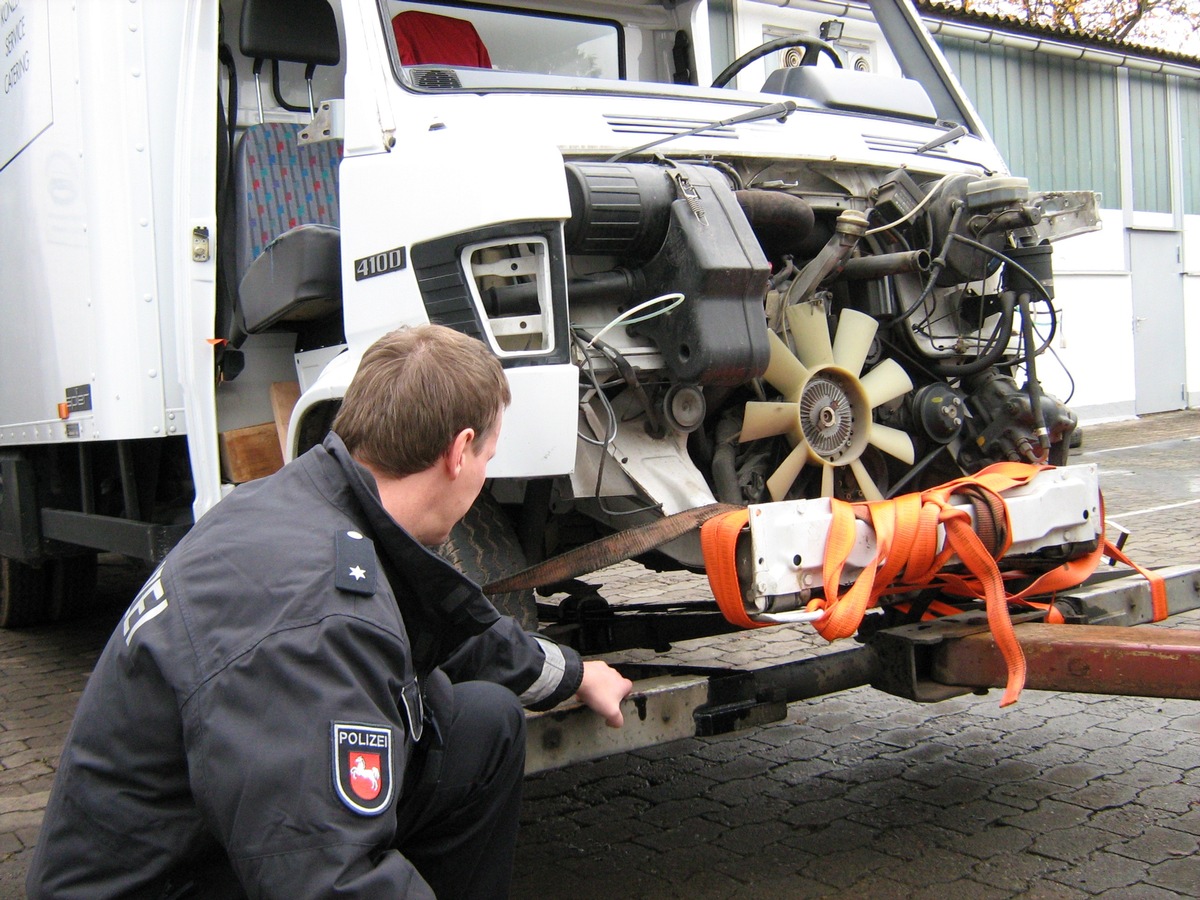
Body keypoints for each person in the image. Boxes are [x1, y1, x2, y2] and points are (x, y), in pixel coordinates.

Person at [27, 324, 634, 899]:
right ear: (460, 451)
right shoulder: (317, 625)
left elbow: (446, 620)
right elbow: (326, 879)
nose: (483, 475)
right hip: (167, 882)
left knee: (480, 719)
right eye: (488, 458)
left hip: (205, 830)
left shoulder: (310, 500)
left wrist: (576, 676)